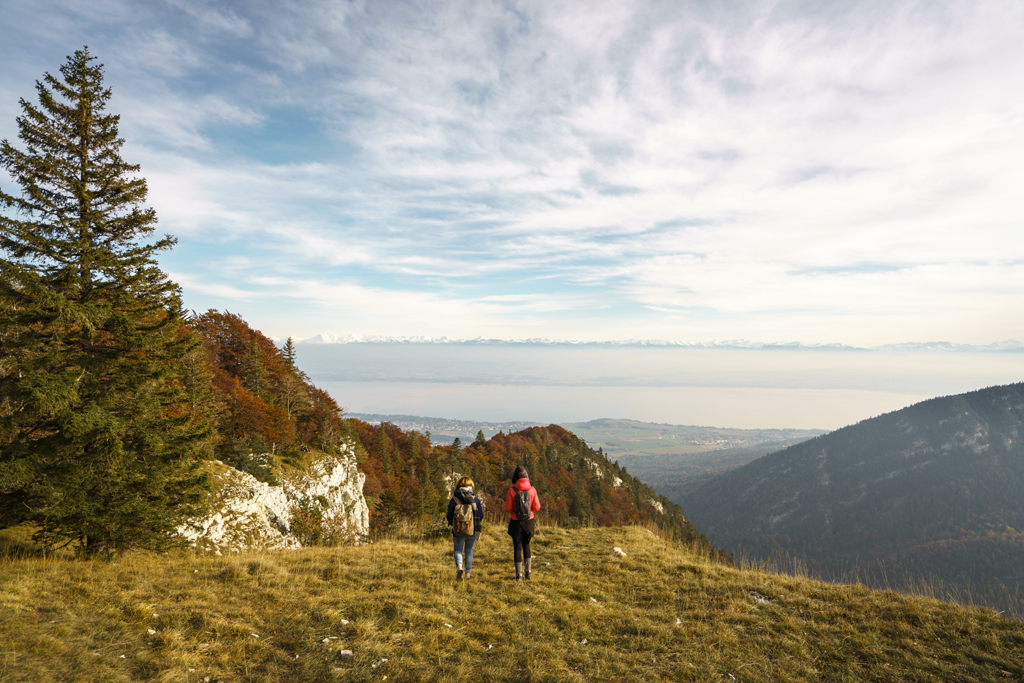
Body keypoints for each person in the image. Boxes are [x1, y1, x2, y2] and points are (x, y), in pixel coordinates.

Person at [505, 465, 541, 580]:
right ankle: (528, 572)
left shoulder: (512, 491)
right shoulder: (532, 490)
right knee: (526, 545)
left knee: (517, 547)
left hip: (516, 522)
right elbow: (537, 507)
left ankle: (518, 574)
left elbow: (508, 509)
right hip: (529, 522)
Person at [446, 476, 485, 581]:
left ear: (458, 486)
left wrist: (453, 524)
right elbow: (481, 515)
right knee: (469, 550)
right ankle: (467, 573)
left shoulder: (454, 500)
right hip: (471, 530)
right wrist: (474, 523)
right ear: (471, 486)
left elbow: (449, 515)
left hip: (458, 530)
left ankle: (459, 567)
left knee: (458, 550)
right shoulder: (475, 499)